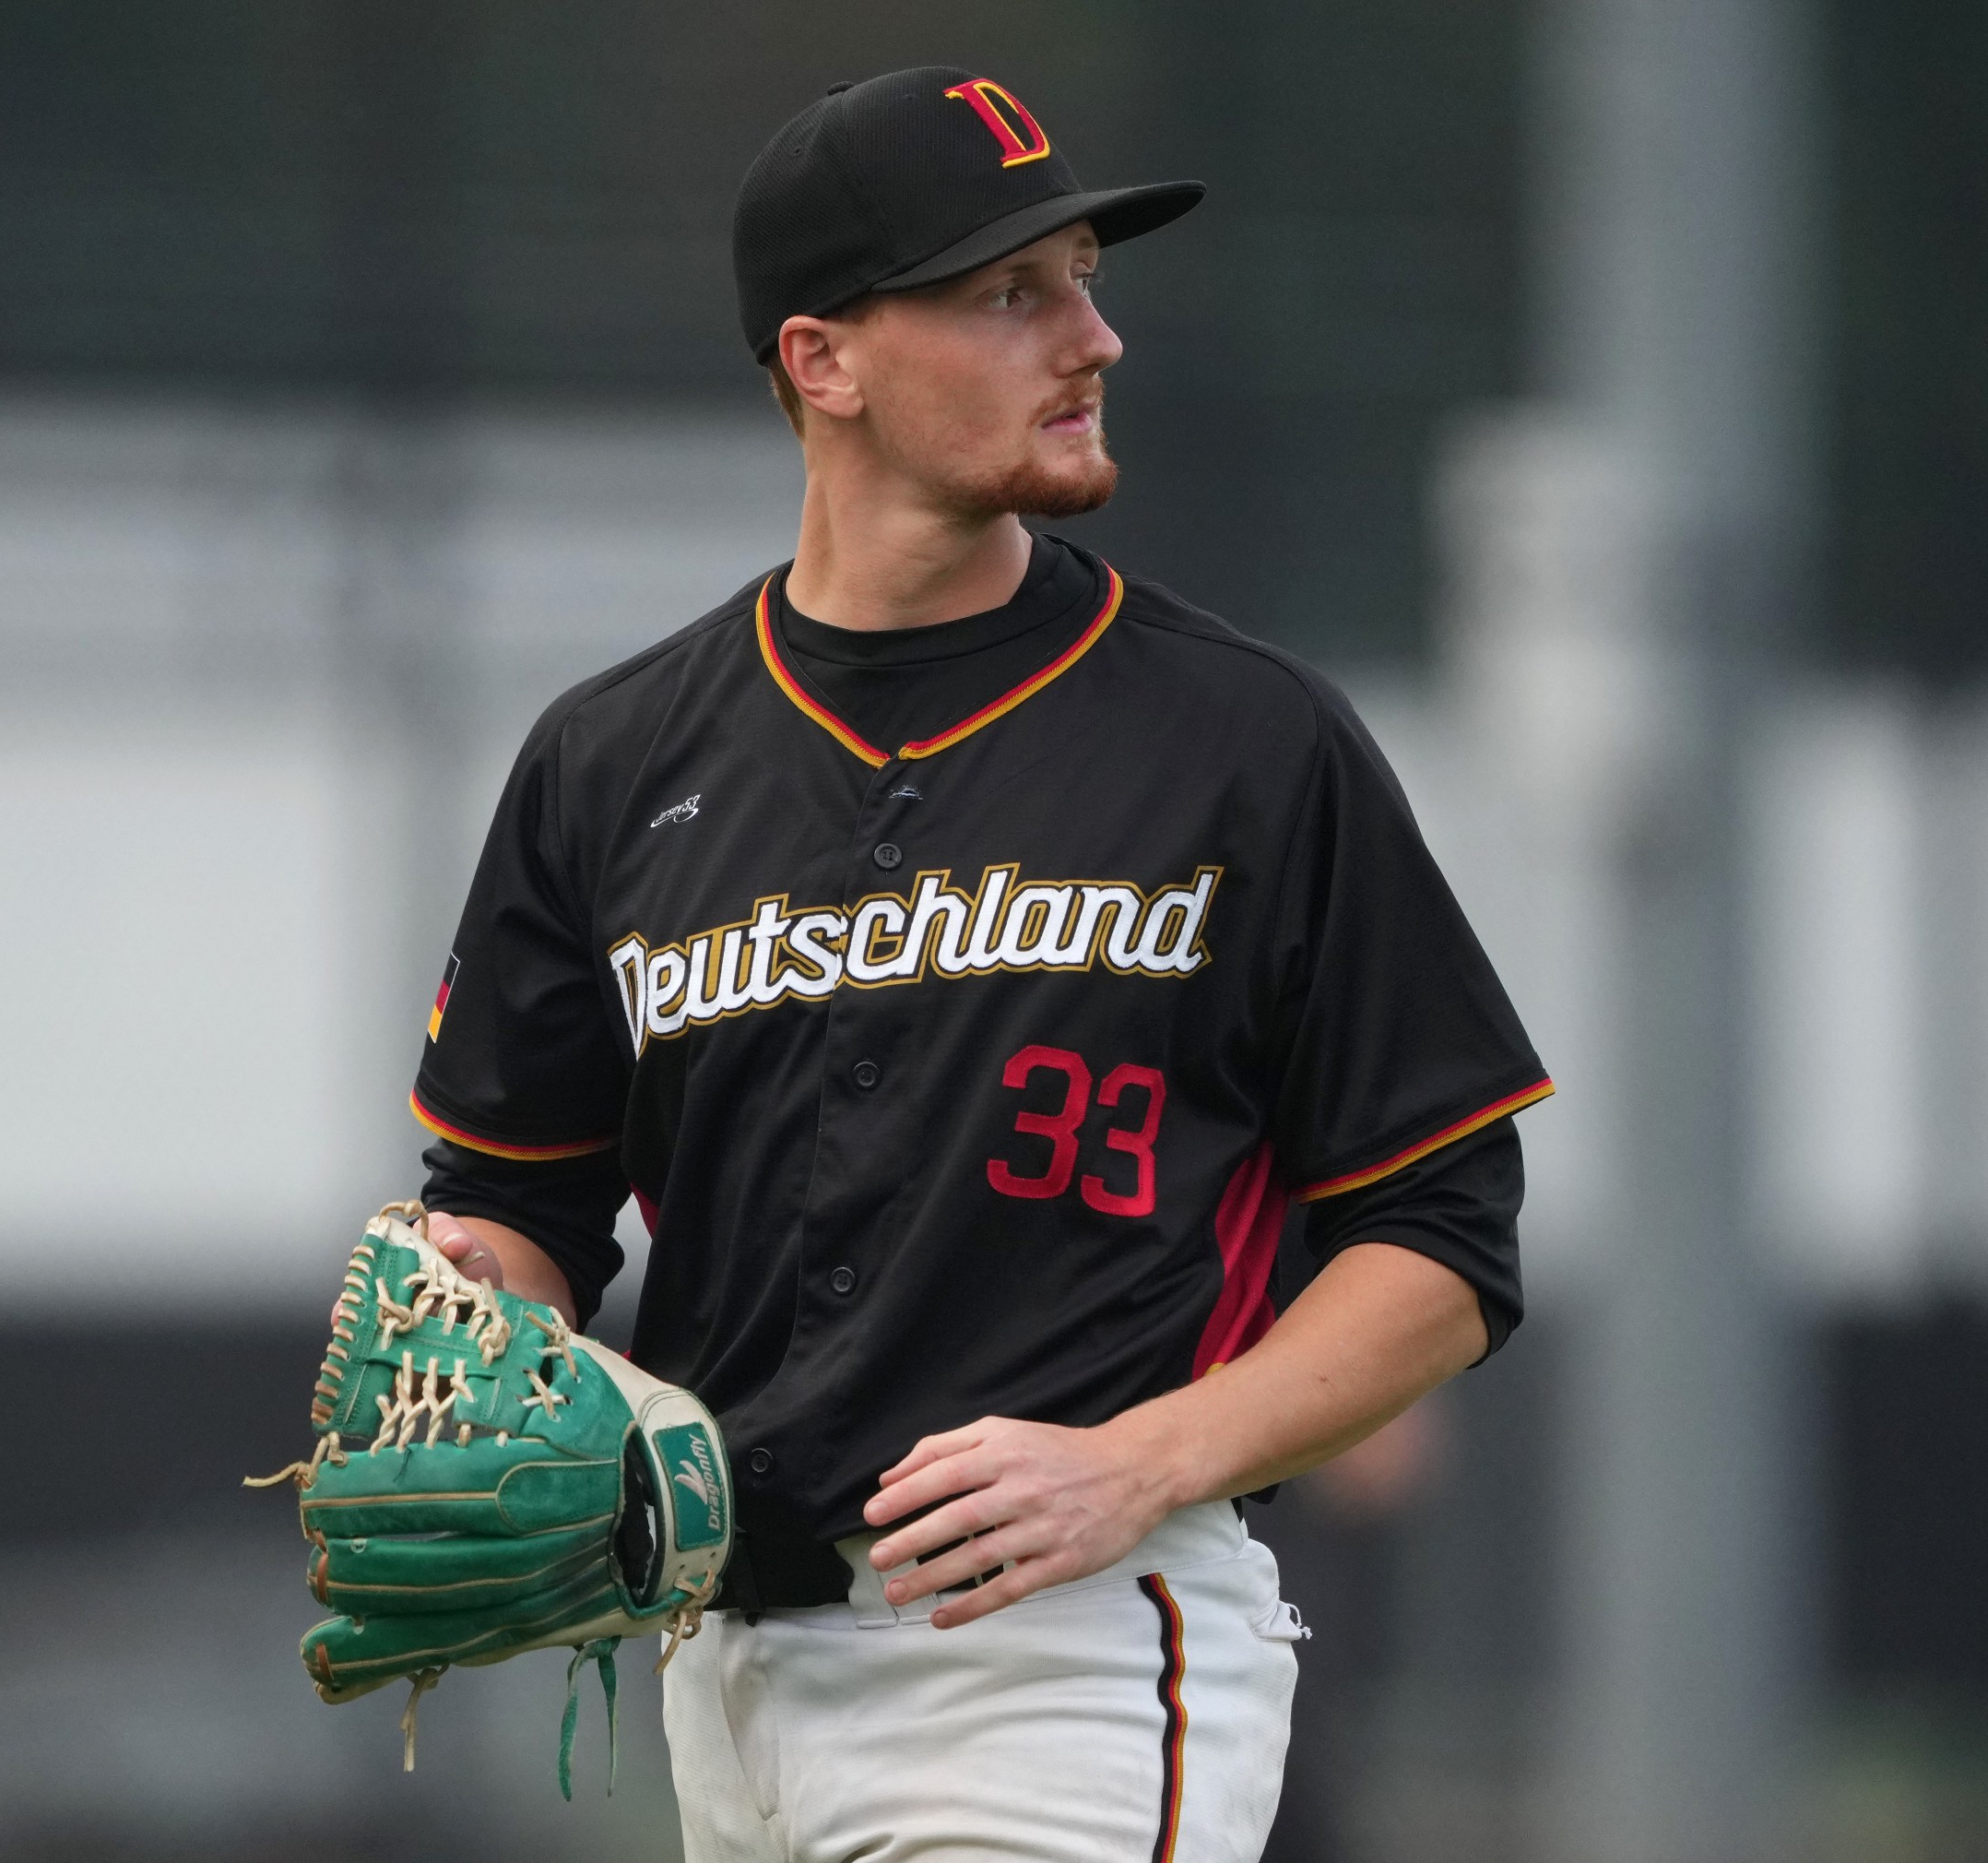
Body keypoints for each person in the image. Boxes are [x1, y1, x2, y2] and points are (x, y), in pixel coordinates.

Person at [408, 66, 1549, 1863]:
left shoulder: (1246, 743)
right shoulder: (611, 760)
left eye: (1087, 278)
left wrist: (1148, 1458)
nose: (1089, 337)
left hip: (1063, 1657)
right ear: (825, 359)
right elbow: (515, 1197)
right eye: (1010, 292)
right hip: (726, 1672)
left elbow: (1446, 1239)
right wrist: (479, 1301)